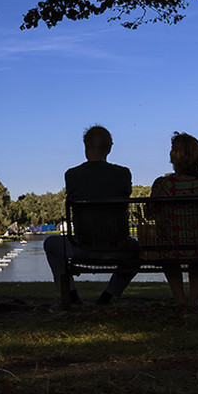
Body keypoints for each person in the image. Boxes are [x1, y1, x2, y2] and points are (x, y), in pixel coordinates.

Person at [42, 125, 135, 306]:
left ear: (85, 147)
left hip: (81, 245)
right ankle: (108, 295)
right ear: (109, 148)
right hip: (117, 247)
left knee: (51, 243)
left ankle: (72, 296)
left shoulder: (72, 175)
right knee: (140, 250)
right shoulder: (123, 174)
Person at [147, 132, 198, 310]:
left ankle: (181, 301)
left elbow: (150, 213)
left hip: (170, 246)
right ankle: (195, 301)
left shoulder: (161, 185)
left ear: (174, 157)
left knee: (169, 253)